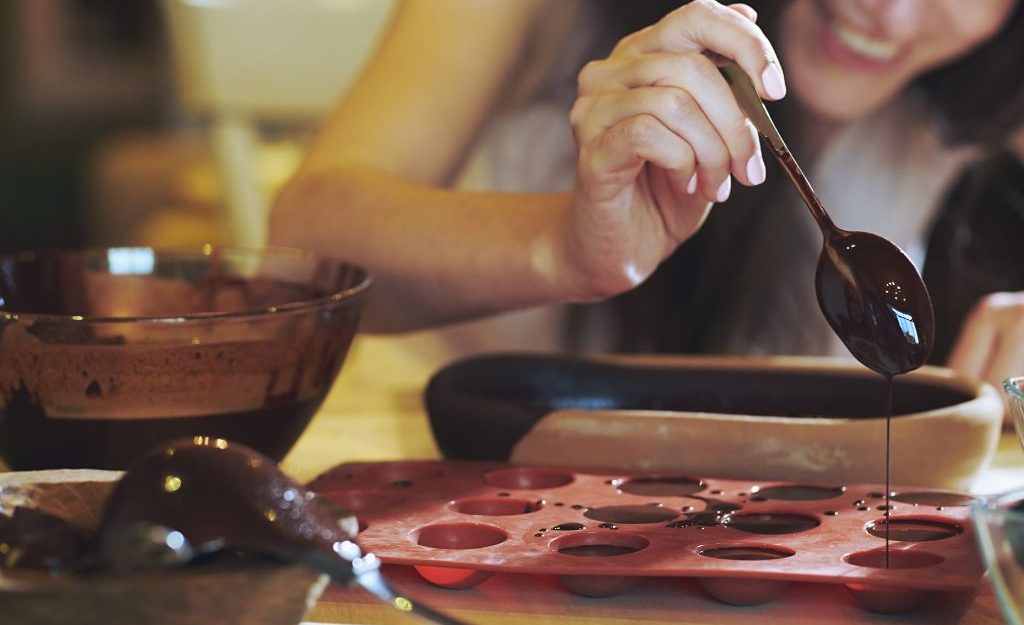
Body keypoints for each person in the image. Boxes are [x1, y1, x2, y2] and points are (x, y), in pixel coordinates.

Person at [269, 0, 1024, 393]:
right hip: (470, 515)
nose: (887, 16)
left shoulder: (988, 71)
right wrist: (560, 245)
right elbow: (308, 245)